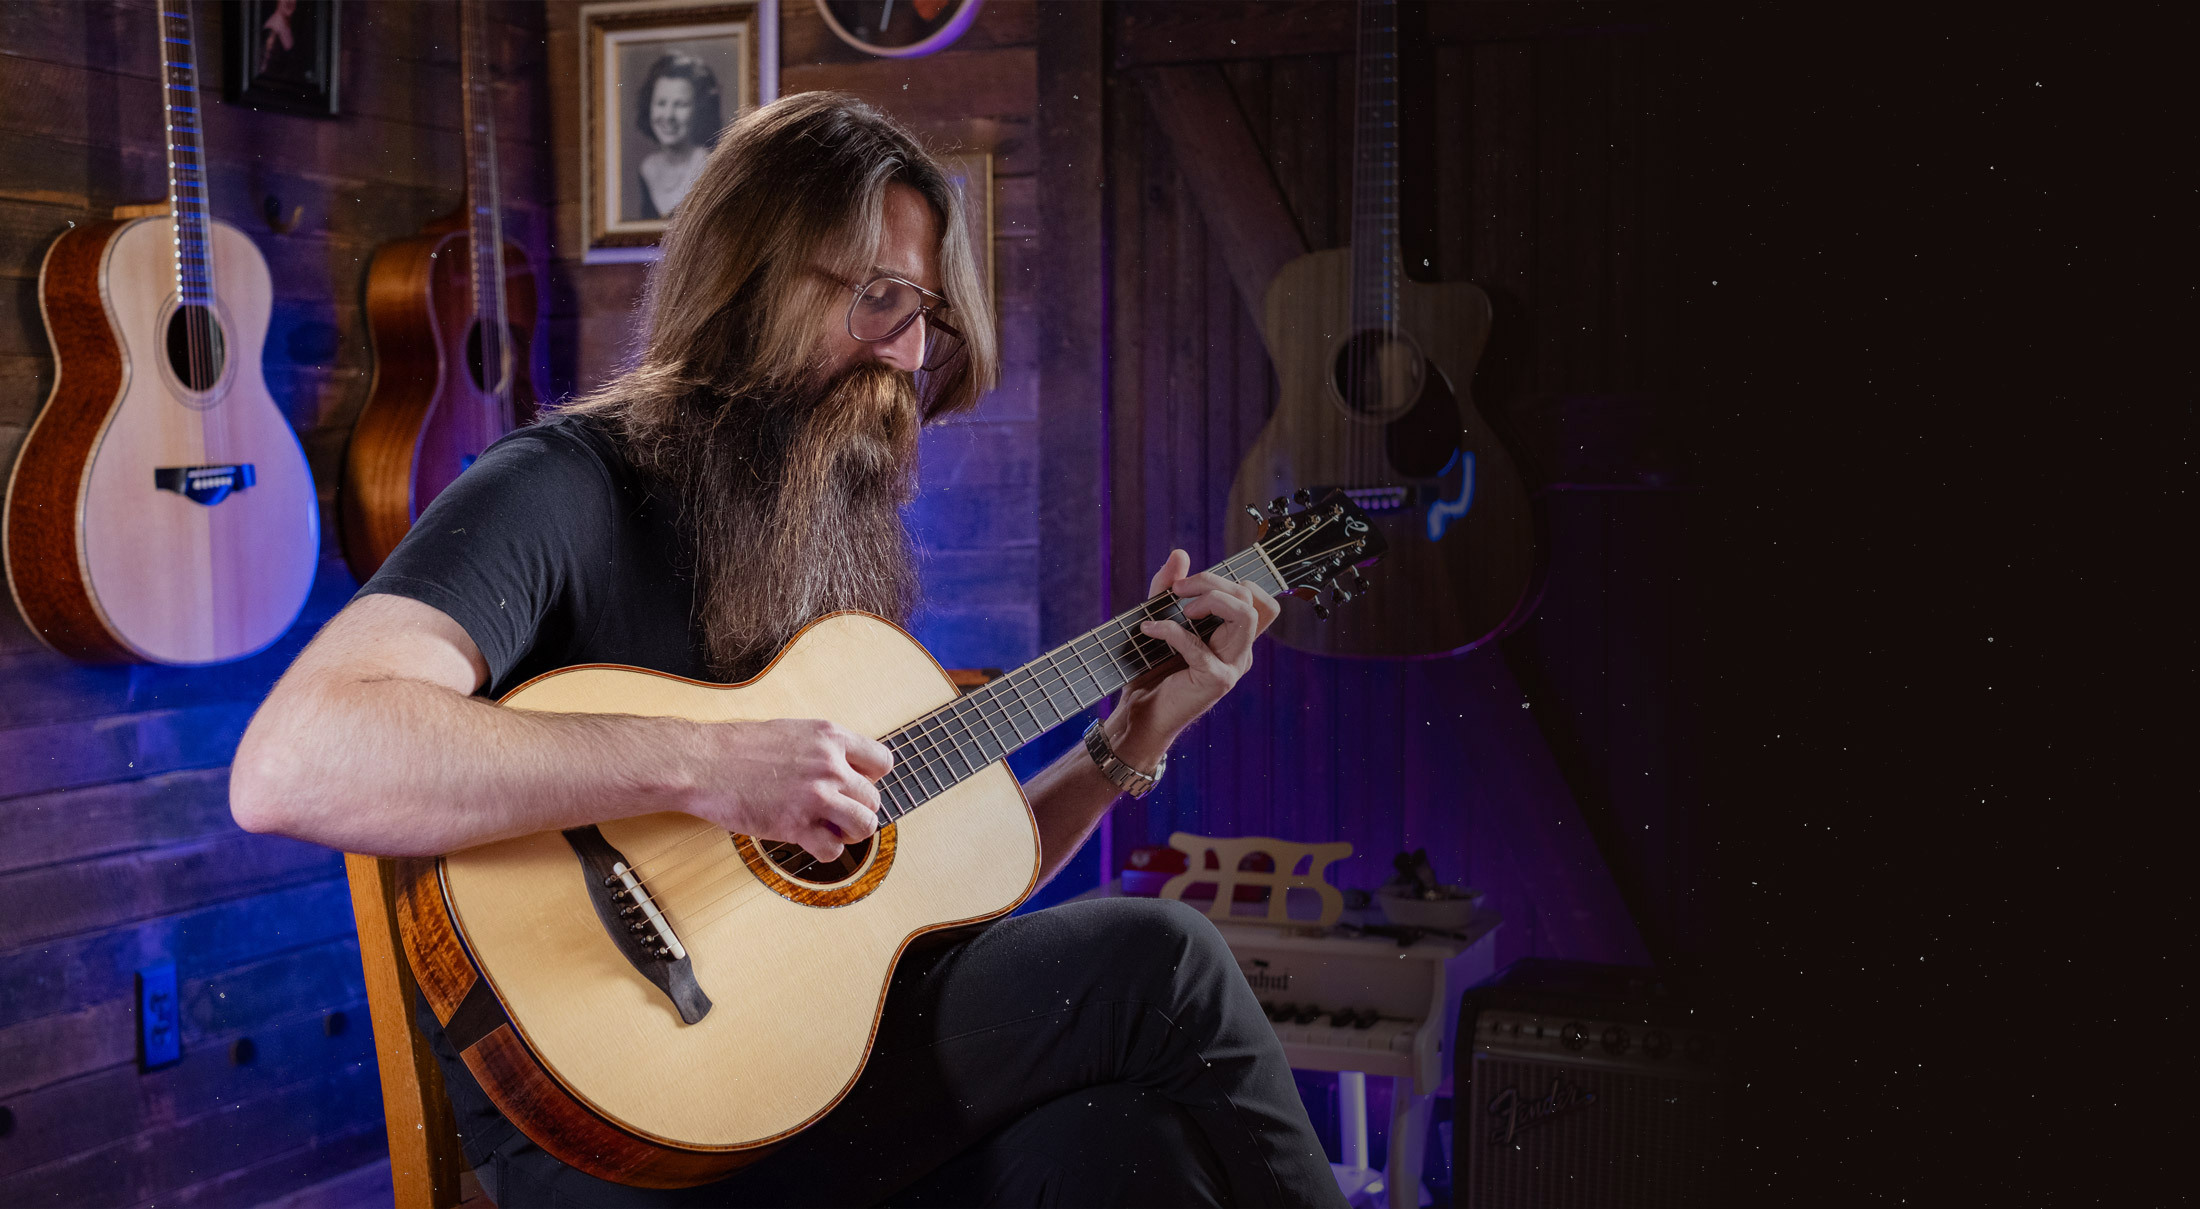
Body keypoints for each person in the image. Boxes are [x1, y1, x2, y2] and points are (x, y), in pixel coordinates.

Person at [231, 92, 1342, 1207]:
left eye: (926, 316)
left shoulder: (812, 526)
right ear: (749, 275)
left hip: (806, 1094)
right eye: (877, 301)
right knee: (1164, 962)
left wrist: (1119, 747)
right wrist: (706, 767)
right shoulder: (563, 485)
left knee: (1121, 1141)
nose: (908, 354)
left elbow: (907, 917)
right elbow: (295, 761)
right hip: (625, 1141)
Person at [634, 51, 722, 220]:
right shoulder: (647, 168)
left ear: (699, 110)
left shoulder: (709, 166)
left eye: (680, 104)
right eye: (661, 103)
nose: (668, 116)